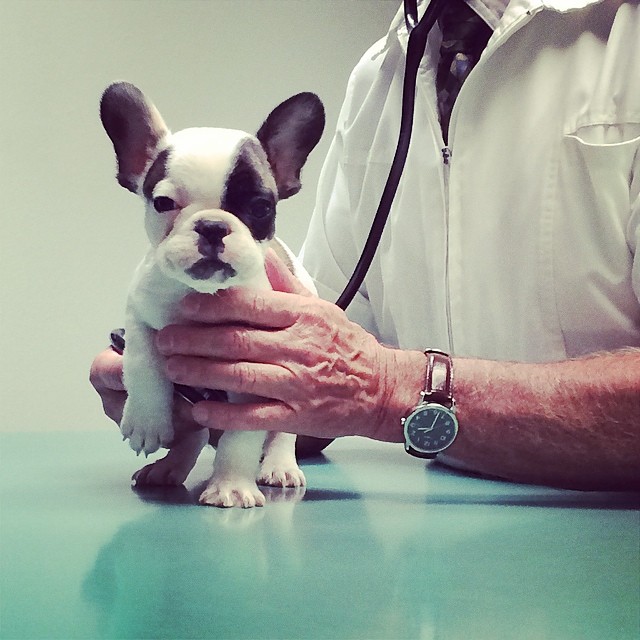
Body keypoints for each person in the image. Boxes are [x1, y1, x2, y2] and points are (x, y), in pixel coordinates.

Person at [90, 0, 640, 491]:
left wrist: (388, 391)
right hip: (433, 510)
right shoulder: (382, 72)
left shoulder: (625, 34)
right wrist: (198, 392)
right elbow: (319, 379)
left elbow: (364, 386)